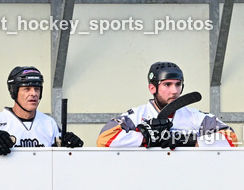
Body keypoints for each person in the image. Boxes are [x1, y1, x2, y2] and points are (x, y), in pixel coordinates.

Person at [97, 62, 237, 148]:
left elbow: (231, 138)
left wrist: (184, 140)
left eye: (178, 84)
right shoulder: (137, 115)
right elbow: (104, 139)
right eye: (167, 84)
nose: (175, 91)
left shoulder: (196, 117)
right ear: (152, 88)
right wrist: (146, 138)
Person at [0, 66, 83, 155]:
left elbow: (62, 159)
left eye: (37, 89)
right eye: (27, 89)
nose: (33, 93)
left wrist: (71, 147)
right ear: (13, 92)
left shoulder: (49, 123)